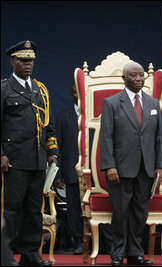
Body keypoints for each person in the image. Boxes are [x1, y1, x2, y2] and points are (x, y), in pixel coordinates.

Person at [100, 61, 162, 266]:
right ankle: (118, 253)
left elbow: (159, 138)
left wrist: (161, 166)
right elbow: (106, 138)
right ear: (124, 79)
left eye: (141, 75)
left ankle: (135, 252)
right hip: (119, 169)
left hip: (145, 168)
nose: (138, 79)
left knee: (140, 212)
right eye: (133, 76)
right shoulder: (111, 103)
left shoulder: (153, 104)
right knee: (120, 213)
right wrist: (110, 166)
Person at [1, 40, 58, 266]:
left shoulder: (40, 90)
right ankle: (6, 255)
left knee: (35, 210)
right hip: (13, 161)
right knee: (11, 210)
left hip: (37, 161)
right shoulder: (4, 89)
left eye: (31, 60)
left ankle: (30, 253)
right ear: (12, 61)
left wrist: (52, 151)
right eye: (23, 60)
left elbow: (48, 125)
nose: (28, 64)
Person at [55, 84, 83, 254]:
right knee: (74, 209)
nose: (77, 94)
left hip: (95, 172)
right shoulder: (63, 117)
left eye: (80, 91)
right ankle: (79, 241)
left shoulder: (96, 115)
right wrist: (58, 173)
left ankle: (104, 243)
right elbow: (57, 147)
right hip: (71, 172)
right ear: (71, 94)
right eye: (74, 91)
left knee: (97, 208)